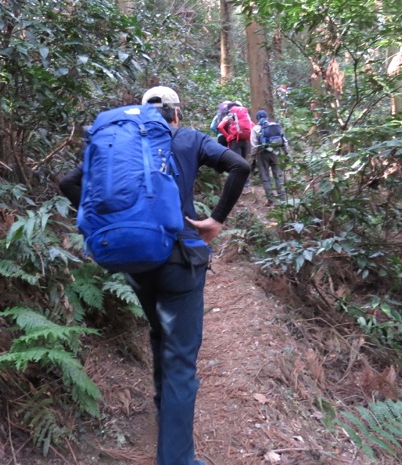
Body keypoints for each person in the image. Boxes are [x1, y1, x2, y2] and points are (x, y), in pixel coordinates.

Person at [59, 86, 250, 465]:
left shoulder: (119, 142)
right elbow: (240, 166)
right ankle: (177, 459)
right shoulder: (190, 138)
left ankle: (167, 417)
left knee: (159, 334)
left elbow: (68, 183)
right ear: (175, 113)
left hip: (136, 258)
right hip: (181, 257)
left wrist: (104, 222)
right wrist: (215, 219)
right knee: (181, 358)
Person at [250, 109, 289, 205]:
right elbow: (284, 141)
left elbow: (254, 145)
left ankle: (271, 200)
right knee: (278, 175)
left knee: (265, 177)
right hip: (276, 152)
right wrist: (287, 153)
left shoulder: (255, 129)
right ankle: (283, 198)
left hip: (262, 154)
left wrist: (253, 158)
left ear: (257, 119)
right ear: (267, 117)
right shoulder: (275, 126)